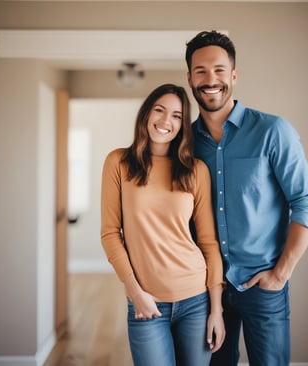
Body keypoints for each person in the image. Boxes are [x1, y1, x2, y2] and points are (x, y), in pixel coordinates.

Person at [185, 31, 308, 366]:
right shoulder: (184, 144)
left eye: (219, 70)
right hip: (206, 289)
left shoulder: (273, 132)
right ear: (189, 78)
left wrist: (280, 275)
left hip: (263, 285)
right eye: (200, 71)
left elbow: (307, 203)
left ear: (234, 75)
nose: (210, 79)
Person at [100, 83, 225, 366]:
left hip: (196, 299)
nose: (166, 121)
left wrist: (216, 309)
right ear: (146, 114)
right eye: (159, 110)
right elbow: (110, 233)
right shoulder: (118, 162)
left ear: (183, 125)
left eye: (177, 116)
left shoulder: (196, 170)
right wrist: (134, 291)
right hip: (146, 301)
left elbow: (208, 242)